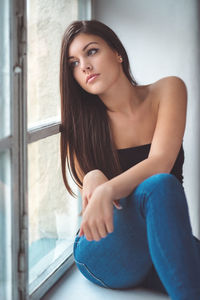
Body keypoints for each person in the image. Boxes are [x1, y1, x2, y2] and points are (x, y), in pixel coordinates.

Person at [59, 20, 200, 299]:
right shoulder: (80, 125)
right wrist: (92, 176)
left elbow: (161, 161)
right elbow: (92, 193)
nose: (84, 66)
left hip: (159, 240)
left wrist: (107, 187)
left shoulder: (167, 90)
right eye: (73, 63)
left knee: (161, 185)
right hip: (103, 249)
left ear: (117, 52)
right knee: (161, 185)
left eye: (91, 51)